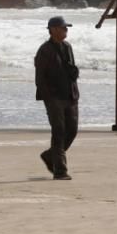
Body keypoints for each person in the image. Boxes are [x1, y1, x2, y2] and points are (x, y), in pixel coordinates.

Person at [35, 16, 80, 180]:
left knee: (72, 131)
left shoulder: (67, 47)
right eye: (63, 27)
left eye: (66, 27)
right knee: (59, 132)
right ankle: (60, 171)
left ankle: (49, 156)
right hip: (54, 98)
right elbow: (40, 78)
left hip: (70, 95)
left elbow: (70, 69)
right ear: (53, 30)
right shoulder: (44, 51)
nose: (66, 30)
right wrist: (49, 98)